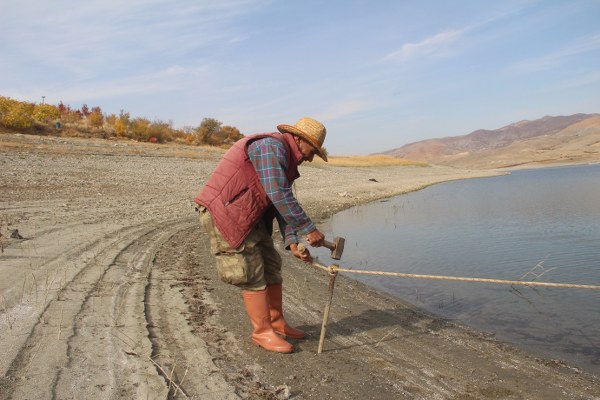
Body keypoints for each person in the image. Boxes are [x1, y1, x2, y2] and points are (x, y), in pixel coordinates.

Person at [194, 117, 328, 353]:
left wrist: (293, 241)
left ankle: (277, 322)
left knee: (271, 265)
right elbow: (278, 193)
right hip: (227, 211)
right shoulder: (270, 147)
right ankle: (262, 332)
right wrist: (309, 228)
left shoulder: (285, 157)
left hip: (250, 213)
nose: (311, 157)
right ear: (299, 139)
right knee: (251, 270)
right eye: (313, 150)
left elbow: (278, 202)